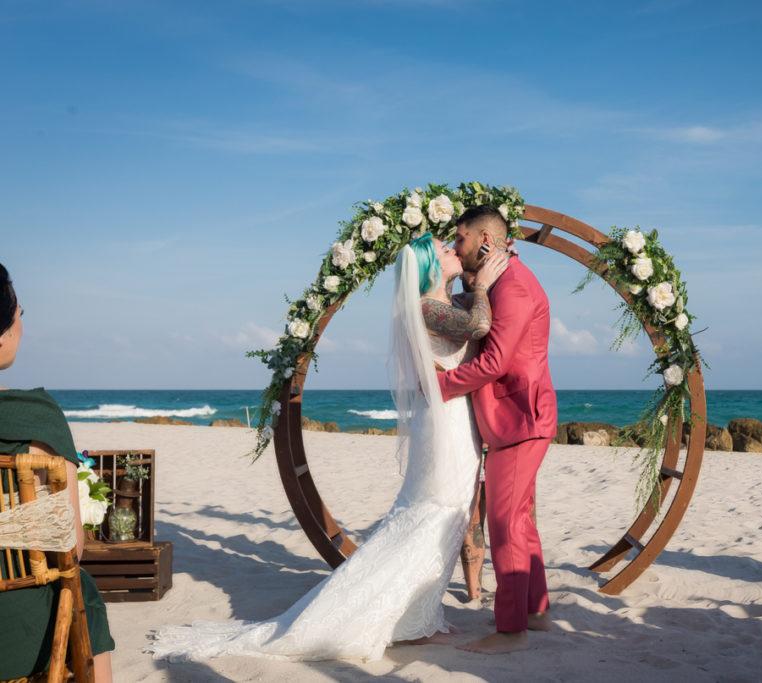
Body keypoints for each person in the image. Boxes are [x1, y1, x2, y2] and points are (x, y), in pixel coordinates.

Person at [148, 234, 509, 661]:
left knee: (444, 511)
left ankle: (417, 618)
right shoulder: (426, 307)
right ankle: (407, 620)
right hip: (445, 425)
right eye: (446, 250)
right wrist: (484, 284)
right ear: (431, 265)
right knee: (437, 509)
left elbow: (470, 321)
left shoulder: (440, 304)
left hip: (450, 419)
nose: (455, 251)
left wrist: (475, 281)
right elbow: (479, 326)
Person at [436, 206, 558, 654]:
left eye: (461, 239)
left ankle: (510, 631)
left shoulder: (514, 287)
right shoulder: (503, 281)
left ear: (486, 240)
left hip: (520, 418)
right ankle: (536, 611)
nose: (456, 247)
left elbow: (494, 363)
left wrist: (439, 385)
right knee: (520, 519)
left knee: (504, 522)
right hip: (519, 418)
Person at [0, 264, 116, 682]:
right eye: (19, 312)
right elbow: (71, 546)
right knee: (79, 584)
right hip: (17, 633)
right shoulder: (36, 418)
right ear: (4, 328)